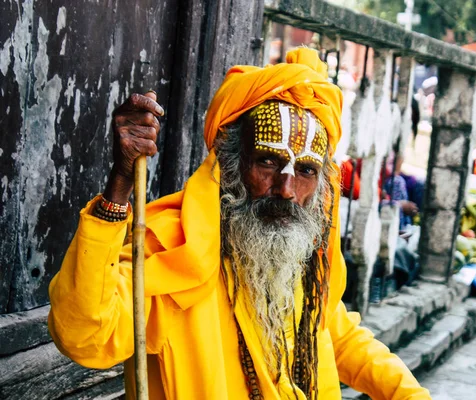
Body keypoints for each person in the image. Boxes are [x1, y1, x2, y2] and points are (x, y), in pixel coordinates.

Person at [47, 48, 430, 399]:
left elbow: (335, 334)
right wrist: (120, 186)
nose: (286, 189)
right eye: (267, 162)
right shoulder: (171, 249)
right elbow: (85, 335)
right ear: (231, 165)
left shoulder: (296, 257)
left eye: (306, 171)